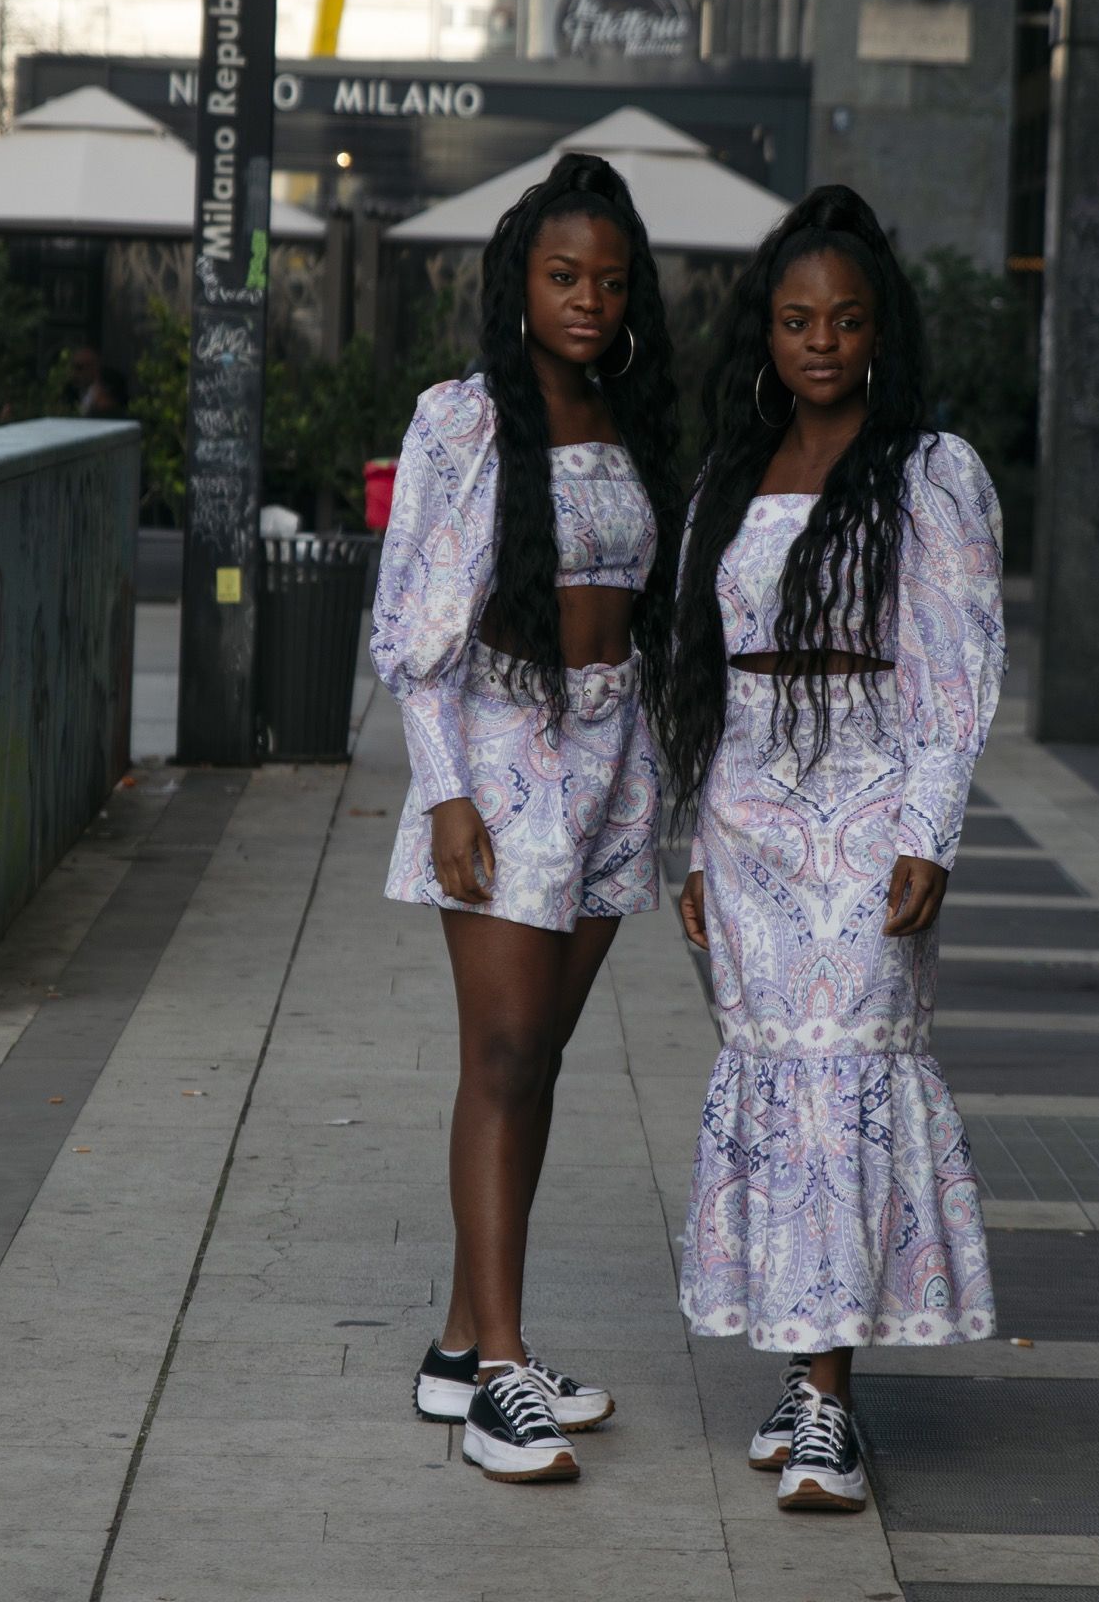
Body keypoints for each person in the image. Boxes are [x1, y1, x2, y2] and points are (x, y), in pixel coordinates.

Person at [666, 184, 1006, 1514]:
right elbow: (699, 677)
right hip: (747, 813)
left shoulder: (930, 472)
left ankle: (829, 1406)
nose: (822, 341)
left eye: (847, 320)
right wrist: (695, 847)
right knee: (776, 1084)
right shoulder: (728, 478)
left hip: (870, 808)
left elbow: (958, 672)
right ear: (766, 331)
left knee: (844, 1077)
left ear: (880, 332)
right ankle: (804, 1373)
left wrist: (931, 831)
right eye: (798, 319)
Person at [371, 152, 681, 1485]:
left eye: (609, 282)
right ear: (520, 283)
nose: (588, 301)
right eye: (564, 277)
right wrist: (446, 790)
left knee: (538, 1059)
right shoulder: (462, 420)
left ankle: (463, 1347)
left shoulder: (631, 415)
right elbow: (411, 630)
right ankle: (501, 1375)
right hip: (500, 753)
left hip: (615, 757)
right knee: (501, 1055)